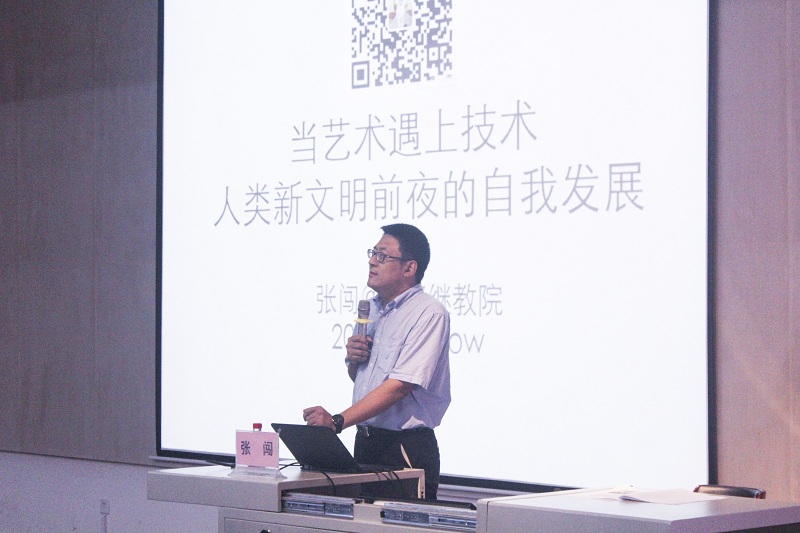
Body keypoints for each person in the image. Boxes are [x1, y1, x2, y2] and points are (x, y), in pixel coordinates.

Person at [303, 223, 451, 500]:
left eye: (382, 256)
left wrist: (337, 421)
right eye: (373, 253)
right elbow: (363, 380)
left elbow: (399, 386)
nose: (372, 261)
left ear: (409, 268)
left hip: (404, 447)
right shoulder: (370, 309)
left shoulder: (429, 313)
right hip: (366, 441)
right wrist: (354, 361)